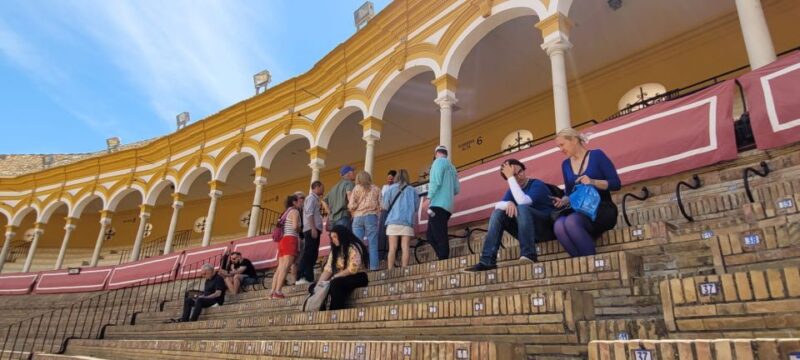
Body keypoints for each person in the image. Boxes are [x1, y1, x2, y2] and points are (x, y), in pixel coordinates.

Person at [464, 159, 556, 272]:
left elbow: (523, 202)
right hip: (528, 233)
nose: (519, 177)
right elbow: (497, 206)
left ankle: (529, 254)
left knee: (521, 207)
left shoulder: (537, 185)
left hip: (546, 230)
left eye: (520, 171)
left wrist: (511, 178)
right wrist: (508, 203)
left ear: (524, 169)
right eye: (514, 175)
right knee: (499, 213)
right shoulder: (513, 191)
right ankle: (487, 261)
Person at [552, 128, 621, 257]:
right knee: (559, 225)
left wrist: (593, 182)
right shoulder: (565, 164)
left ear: (573, 140)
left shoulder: (597, 155)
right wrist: (564, 200)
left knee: (571, 221)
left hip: (602, 209)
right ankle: (583, 266)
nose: (560, 149)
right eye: (558, 147)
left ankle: (591, 262)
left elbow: (616, 183)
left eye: (562, 145)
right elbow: (569, 192)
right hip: (580, 211)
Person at [313, 225, 369, 310]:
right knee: (316, 287)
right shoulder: (335, 251)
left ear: (342, 235)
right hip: (342, 278)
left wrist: (335, 277)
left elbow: (352, 269)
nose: (333, 240)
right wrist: (318, 286)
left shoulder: (354, 247)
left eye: (335, 236)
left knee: (336, 283)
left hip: (358, 276)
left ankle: (336, 311)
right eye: (332, 238)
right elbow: (328, 270)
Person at [424, 145, 460, 260]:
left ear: (436, 154)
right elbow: (456, 189)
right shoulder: (452, 167)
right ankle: (442, 256)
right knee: (431, 235)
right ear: (446, 154)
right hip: (448, 206)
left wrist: (428, 198)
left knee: (438, 234)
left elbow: (436, 182)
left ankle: (444, 258)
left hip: (437, 205)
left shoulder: (437, 162)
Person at [382, 169, 419, 269]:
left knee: (392, 248)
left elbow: (385, 206)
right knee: (405, 247)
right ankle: (404, 269)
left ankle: (390, 270)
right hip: (407, 222)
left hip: (393, 221)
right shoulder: (413, 190)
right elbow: (416, 207)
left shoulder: (390, 189)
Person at [348, 171, 382, 271]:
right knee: (373, 243)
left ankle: (357, 267)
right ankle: (374, 267)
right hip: (371, 216)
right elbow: (381, 204)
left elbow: (351, 205)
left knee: (357, 244)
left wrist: (355, 210)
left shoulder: (356, 189)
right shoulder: (376, 188)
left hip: (358, 217)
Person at [270, 194, 302, 299]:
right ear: (294, 202)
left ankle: (273, 291)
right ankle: (278, 291)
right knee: (286, 266)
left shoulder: (285, 212)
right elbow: (295, 226)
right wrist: (300, 230)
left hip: (282, 241)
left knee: (280, 267)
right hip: (290, 239)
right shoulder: (294, 211)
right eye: (299, 200)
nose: (301, 202)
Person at [297, 181, 324, 285]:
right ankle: (301, 276)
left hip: (313, 229)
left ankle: (309, 277)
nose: (323, 190)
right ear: (316, 187)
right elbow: (309, 213)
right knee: (309, 253)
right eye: (322, 187)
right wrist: (313, 228)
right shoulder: (311, 198)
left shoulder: (314, 199)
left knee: (313, 254)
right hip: (311, 229)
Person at [324, 165, 356, 230]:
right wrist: (353, 213)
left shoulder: (334, 187)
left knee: (336, 239)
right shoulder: (349, 183)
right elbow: (349, 195)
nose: (355, 173)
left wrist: (329, 212)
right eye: (353, 172)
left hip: (332, 219)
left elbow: (323, 200)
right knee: (345, 238)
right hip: (343, 216)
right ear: (349, 174)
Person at [378, 170, 397, 261]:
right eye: (388, 178)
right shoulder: (384, 187)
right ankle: (381, 254)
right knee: (382, 231)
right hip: (384, 211)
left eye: (391, 178)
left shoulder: (397, 187)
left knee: (392, 232)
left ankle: (390, 254)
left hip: (393, 210)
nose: (389, 180)